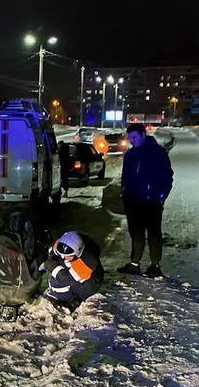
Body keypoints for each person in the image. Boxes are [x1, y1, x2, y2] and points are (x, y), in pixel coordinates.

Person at [117, 123, 174, 277]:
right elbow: (126, 177)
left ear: (143, 135)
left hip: (152, 201)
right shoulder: (130, 154)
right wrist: (125, 193)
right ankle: (134, 264)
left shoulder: (158, 153)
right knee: (136, 233)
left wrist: (161, 196)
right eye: (130, 138)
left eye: (134, 137)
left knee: (154, 234)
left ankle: (155, 266)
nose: (132, 141)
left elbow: (167, 177)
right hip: (132, 201)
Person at [41, 231, 104, 312]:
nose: (64, 257)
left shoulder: (87, 263)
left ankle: (69, 301)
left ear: (78, 251)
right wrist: (52, 256)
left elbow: (65, 279)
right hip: (77, 267)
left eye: (69, 256)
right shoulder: (68, 242)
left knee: (56, 279)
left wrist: (48, 265)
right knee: (58, 266)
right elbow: (55, 250)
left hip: (89, 283)